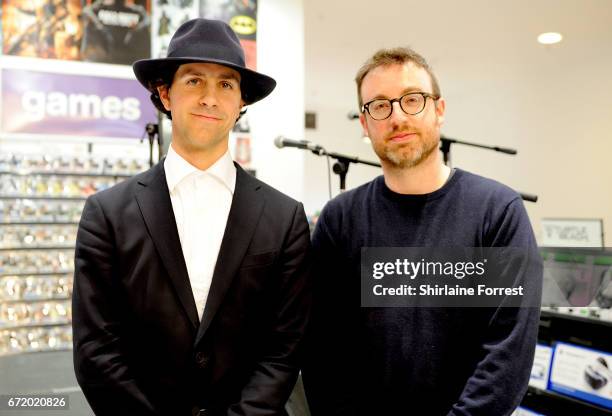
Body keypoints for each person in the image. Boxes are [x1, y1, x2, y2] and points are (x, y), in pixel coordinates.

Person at [72, 18, 311, 416]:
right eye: (194, 81)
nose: (210, 98)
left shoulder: (285, 218)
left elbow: (284, 349)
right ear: (165, 94)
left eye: (226, 84)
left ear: (241, 104)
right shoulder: (107, 215)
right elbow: (96, 349)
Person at [302, 47, 542, 415]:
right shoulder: (340, 220)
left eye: (412, 99)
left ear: (439, 110)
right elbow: (323, 350)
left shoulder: (497, 212)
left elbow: (507, 355)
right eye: (379, 106)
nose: (397, 117)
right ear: (365, 124)